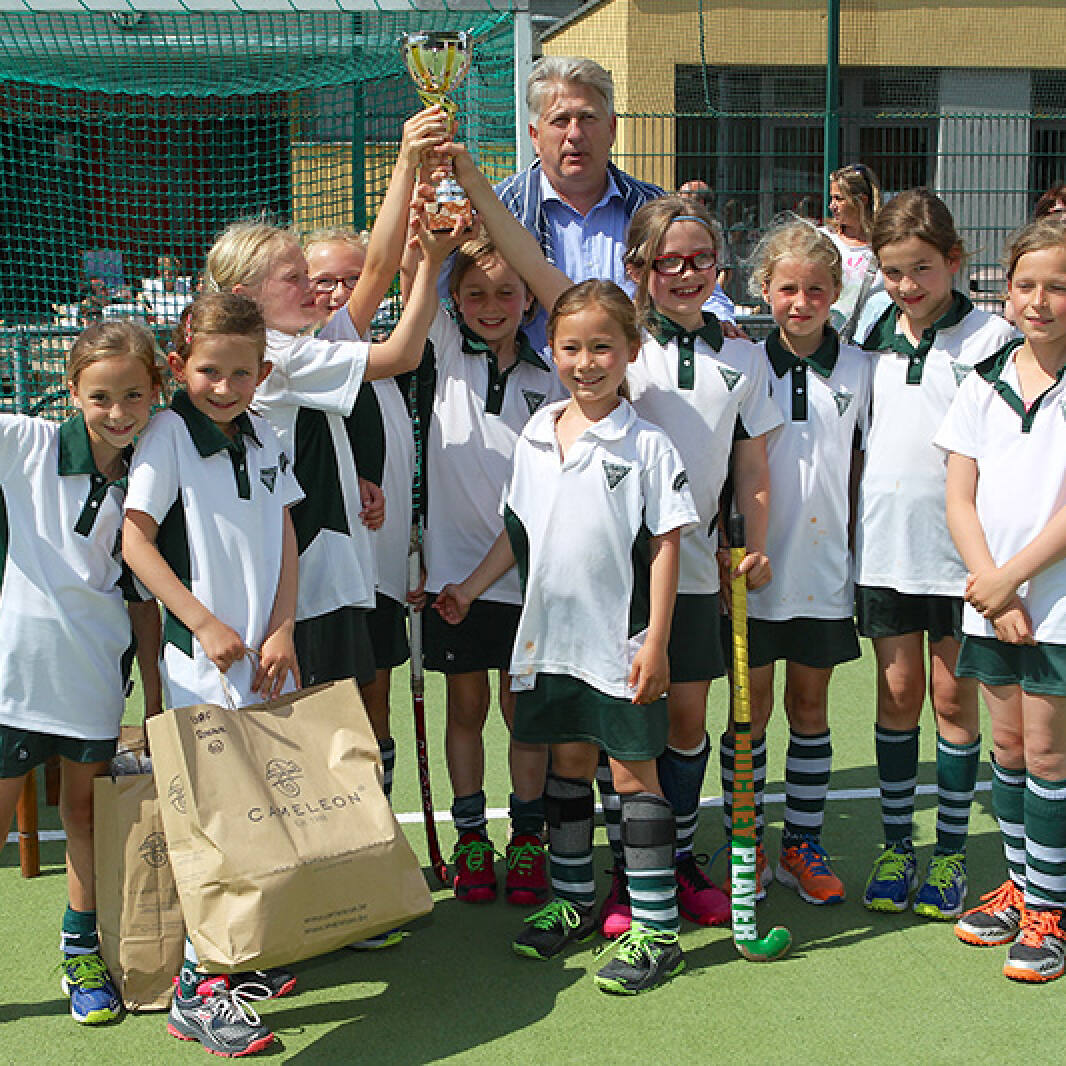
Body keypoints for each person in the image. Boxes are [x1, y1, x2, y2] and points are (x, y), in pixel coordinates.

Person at [436, 278, 699, 995]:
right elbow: (519, 530)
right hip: (548, 639)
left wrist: (657, 641)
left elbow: (668, 545)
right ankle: (576, 901)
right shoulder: (536, 431)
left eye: (603, 348)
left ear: (631, 351)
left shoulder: (647, 444)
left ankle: (657, 929)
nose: (586, 363)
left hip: (620, 642)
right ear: (551, 350)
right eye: (571, 348)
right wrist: (470, 588)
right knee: (569, 765)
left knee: (634, 775)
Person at [123, 293, 303, 1056]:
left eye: (240, 373)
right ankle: (199, 991)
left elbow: (286, 533)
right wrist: (202, 622)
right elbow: (136, 543)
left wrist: (283, 627)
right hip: (201, 667)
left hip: (264, 663)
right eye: (208, 372)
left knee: (261, 816)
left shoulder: (265, 433)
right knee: (216, 827)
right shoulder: (166, 435)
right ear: (178, 366)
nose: (224, 387)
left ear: (263, 373)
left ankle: (237, 958)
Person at [607, 194, 781, 937]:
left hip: (698, 568)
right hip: (614, 568)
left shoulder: (741, 355)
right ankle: (628, 868)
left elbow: (752, 466)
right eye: (668, 261)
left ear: (719, 266)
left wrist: (754, 542)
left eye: (699, 260)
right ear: (637, 267)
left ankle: (676, 857)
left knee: (685, 716)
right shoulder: (619, 345)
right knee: (624, 718)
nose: (685, 274)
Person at [404, 145, 570, 909]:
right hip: (450, 582)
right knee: (466, 709)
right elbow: (420, 276)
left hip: (525, 580)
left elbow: (538, 502)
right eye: (475, 294)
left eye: (507, 292)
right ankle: (473, 838)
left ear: (530, 301)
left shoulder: (552, 375)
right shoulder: (441, 349)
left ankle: (527, 835)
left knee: (523, 713)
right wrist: (429, 197)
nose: (493, 304)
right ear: (456, 300)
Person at [856, 188, 1016, 919]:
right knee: (896, 695)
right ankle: (898, 847)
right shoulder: (869, 329)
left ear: (954, 261)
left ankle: (950, 854)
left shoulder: (992, 338)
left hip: (963, 558)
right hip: (884, 547)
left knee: (952, 700)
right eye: (893, 271)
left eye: (922, 268)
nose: (907, 285)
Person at [0, 320, 161, 1027]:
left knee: (84, 816)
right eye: (100, 397)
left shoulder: (154, 472)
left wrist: (154, 696)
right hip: (13, 677)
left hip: (94, 676)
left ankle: (81, 954)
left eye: (133, 395)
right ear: (71, 391)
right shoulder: (26, 443)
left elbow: (144, 602)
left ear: (156, 392)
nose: (118, 412)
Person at [938, 216, 1066, 982]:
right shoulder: (980, 383)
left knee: (1049, 753)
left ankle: (1051, 910)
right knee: (1010, 749)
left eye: (1059, 287)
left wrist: (1010, 579)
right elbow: (959, 496)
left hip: (1054, 607)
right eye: (1027, 285)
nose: (1040, 301)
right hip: (992, 602)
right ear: (1007, 292)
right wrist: (991, 587)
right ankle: (1022, 889)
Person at [740, 220, 871, 904]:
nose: (801, 302)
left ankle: (802, 842)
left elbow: (859, 466)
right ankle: (748, 842)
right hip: (755, 571)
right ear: (764, 289)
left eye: (816, 289)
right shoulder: (743, 363)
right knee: (752, 712)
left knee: (810, 706)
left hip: (824, 573)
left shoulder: (860, 368)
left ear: (836, 291)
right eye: (787, 288)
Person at [303, 220, 412, 808]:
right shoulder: (307, 357)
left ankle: (377, 828)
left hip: (383, 569)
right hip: (321, 575)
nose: (339, 293)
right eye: (324, 280)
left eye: (352, 278)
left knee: (375, 700)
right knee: (323, 708)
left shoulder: (387, 363)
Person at [822, 163, 889, 342]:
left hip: (871, 342)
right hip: (827, 339)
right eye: (832, 198)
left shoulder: (885, 246)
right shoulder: (824, 241)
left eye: (839, 199)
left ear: (862, 200)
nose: (831, 206)